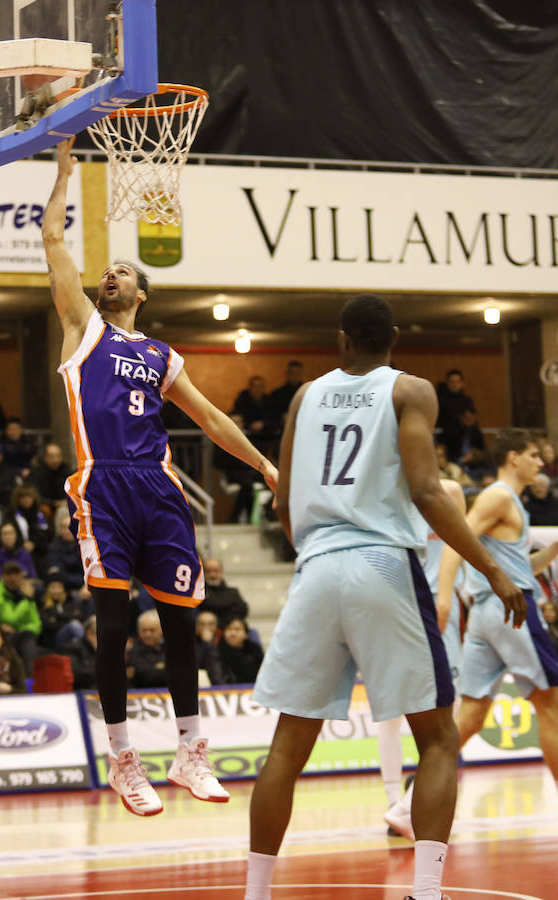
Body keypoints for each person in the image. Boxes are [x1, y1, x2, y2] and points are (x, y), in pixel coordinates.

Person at [244, 294, 525, 900]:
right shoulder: (410, 390)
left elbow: (284, 500)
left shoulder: (304, 395)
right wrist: (494, 572)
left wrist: (315, 554)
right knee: (439, 740)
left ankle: (256, 893)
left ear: (341, 339)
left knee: (287, 748)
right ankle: (425, 892)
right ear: (393, 337)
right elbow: (426, 489)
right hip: (382, 563)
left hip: (317, 565)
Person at [42, 138, 278, 818]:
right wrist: (63, 175)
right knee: (112, 626)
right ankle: (123, 759)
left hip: (160, 490)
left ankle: (189, 751)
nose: (109, 276)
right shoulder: (81, 328)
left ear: (142, 294)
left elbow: (207, 417)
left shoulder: (159, 353)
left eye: (122, 272)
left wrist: (263, 464)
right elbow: (55, 240)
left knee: (183, 627)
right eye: (107, 270)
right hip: (104, 487)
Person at [436, 430, 558, 816]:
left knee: (471, 714)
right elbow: (457, 540)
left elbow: (520, 568)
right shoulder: (499, 496)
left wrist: (553, 551)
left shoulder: (511, 503)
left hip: (490, 614)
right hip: (513, 612)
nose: (541, 463)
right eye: (534, 455)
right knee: (552, 705)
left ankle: (410, 800)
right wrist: (443, 596)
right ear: (512, 458)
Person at [381, 480, 467, 839]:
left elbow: (457, 545)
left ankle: (415, 796)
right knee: (390, 711)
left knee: (453, 707)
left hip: (440, 606)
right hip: (397, 604)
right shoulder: (386, 488)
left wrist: (446, 596)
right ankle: (394, 804)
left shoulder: (451, 490)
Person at [0, 560, 42, 675]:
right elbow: (10, 618)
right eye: (8, 574)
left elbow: (36, 622)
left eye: (16, 574)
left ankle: (32, 682)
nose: (12, 578)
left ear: (22, 576)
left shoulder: (23, 592)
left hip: (21, 634)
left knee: (29, 640)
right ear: (2, 576)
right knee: (24, 644)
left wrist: (26, 630)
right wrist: (27, 600)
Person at [435, 369, 479, 463]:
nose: (455, 384)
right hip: (449, 442)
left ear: (462, 383)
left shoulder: (467, 401)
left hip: (470, 452)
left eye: (457, 382)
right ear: (447, 383)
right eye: (452, 382)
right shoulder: (441, 402)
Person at [199, 557, 249, 626]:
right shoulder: (198, 592)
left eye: (216, 571)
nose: (212, 575)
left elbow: (243, 611)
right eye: (209, 571)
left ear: (221, 572)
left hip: (228, 628)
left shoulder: (233, 592)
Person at [126, 609, 168, 689]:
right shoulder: (133, 651)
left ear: (161, 630)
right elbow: (146, 676)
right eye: (144, 630)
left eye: (152, 630)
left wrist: (157, 668)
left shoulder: (169, 648)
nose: (147, 634)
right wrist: (164, 668)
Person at [217, 617, 263, 684]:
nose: (232, 633)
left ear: (246, 634)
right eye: (229, 629)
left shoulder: (255, 650)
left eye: (237, 629)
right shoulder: (217, 652)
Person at [29, 443, 70, 514]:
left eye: (58, 456)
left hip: (64, 506)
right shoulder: (36, 473)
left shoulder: (66, 471)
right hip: (45, 506)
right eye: (52, 457)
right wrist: (54, 503)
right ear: (45, 458)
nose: (56, 460)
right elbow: (35, 495)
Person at [63, 614, 98, 689]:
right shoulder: (73, 648)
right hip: (80, 694)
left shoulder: (103, 651)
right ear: (89, 634)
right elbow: (75, 673)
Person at [269, 360, 304, 427]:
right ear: (287, 374)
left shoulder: (306, 392)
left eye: (297, 373)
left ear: (301, 374)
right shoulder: (277, 394)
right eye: (292, 373)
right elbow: (272, 416)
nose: (294, 376)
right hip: (282, 429)